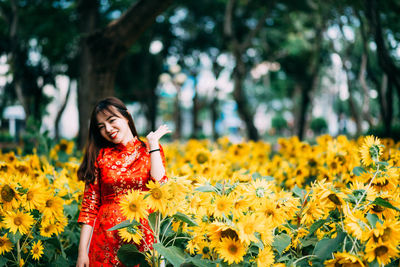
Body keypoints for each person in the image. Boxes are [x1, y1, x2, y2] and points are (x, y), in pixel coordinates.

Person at [76, 97, 170, 267]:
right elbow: (89, 208)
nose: (108, 129)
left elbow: (160, 186)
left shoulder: (149, 149)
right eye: (101, 127)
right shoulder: (100, 156)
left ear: (126, 116)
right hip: (105, 241)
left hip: (143, 237)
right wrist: (82, 253)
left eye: (112, 121)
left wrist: (154, 144)